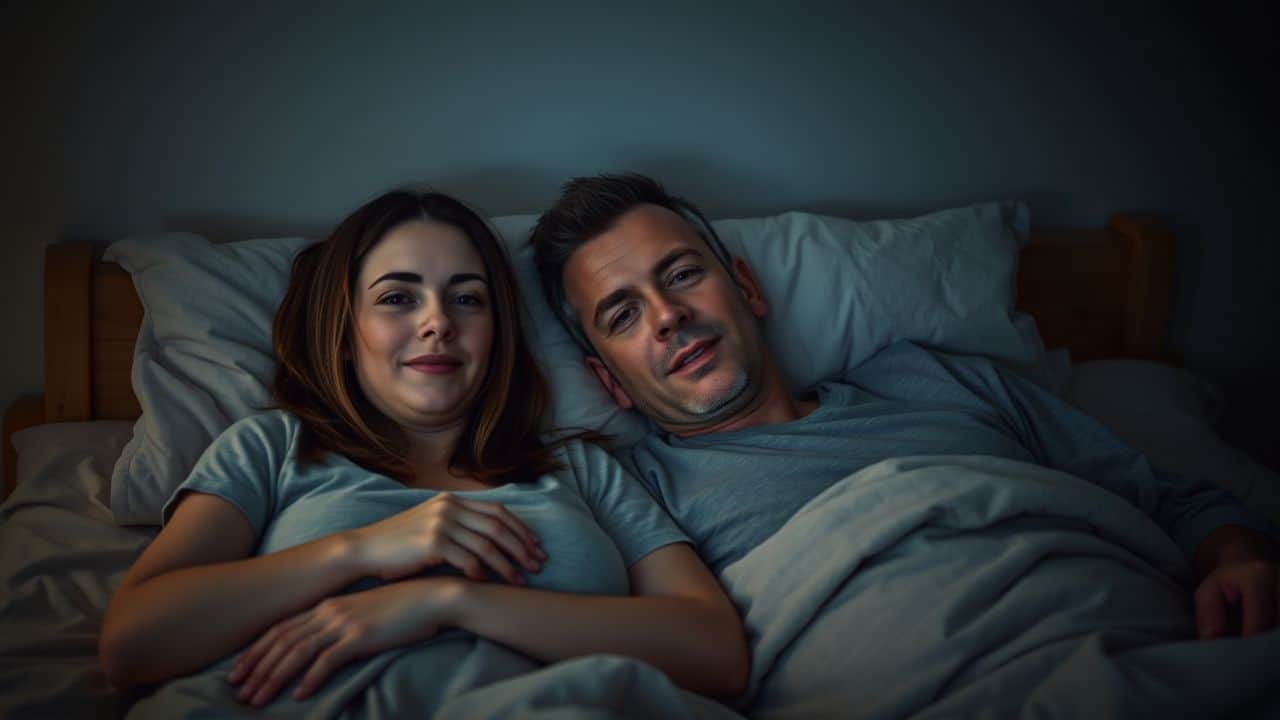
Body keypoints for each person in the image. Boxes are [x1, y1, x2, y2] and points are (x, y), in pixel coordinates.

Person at [529, 172, 1280, 640]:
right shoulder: (636, 492)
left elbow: (1172, 501)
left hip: (1137, 630)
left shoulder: (933, 380)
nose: (666, 316)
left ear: (748, 289)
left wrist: (1237, 558)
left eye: (683, 274)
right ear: (611, 384)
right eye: (623, 315)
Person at [98, 190, 749, 709]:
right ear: (346, 331)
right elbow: (132, 643)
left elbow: (716, 652)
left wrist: (447, 604)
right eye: (398, 298)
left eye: (467, 298)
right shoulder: (272, 447)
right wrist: (361, 550)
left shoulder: (580, 467)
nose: (438, 321)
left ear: (496, 332)